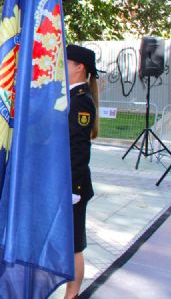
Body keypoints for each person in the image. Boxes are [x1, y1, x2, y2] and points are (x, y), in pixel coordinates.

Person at [64, 44, 98, 299]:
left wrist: (74, 189)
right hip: (64, 183)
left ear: (79, 67)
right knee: (68, 243)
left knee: (75, 245)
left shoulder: (81, 102)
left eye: (67, 61)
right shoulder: (71, 97)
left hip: (73, 186)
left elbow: (78, 150)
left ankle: (72, 295)